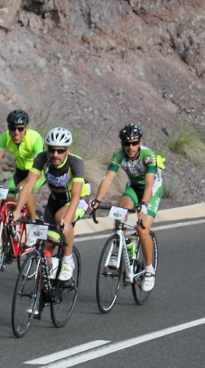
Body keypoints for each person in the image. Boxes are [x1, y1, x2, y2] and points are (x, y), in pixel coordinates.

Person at [11, 127, 89, 289]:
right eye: (52, 150)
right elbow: (28, 186)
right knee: (47, 248)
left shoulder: (76, 163)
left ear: (68, 150)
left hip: (78, 198)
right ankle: (40, 300)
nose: (55, 155)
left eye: (60, 151)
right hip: (55, 200)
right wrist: (17, 211)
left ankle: (67, 260)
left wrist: (68, 220)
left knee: (62, 219)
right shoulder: (41, 158)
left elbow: (75, 196)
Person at [88, 124, 161, 292]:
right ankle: (117, 247)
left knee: (142, 230)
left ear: (140, 142)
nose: (130, 147)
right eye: (126, 144)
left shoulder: (148, 156)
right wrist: (97, 199)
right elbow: (108, 179)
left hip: (151, 191)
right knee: (121, 209)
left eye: (134, 143)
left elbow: (150, 182)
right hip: (134, 188)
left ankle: (149, 270)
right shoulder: (119, 155)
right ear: (122, 144)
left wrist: (144, 204)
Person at [0, 109, 45, 248]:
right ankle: (7, 248)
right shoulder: (5, 136)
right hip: (19, 171)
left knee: (23, 189)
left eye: (20, 129)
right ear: (8, 128)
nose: (16, 133)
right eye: (13, 129)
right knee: (8, 200)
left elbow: (39, 166)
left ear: (26, 128)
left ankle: (34, 226)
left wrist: (27, 184)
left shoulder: (35, 138)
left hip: (37, 171)